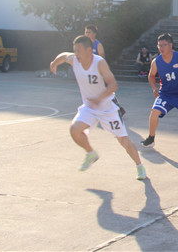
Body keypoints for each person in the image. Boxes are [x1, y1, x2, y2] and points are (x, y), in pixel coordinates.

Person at [49, 35, 146, 180]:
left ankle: (139, 166)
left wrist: (98, 98)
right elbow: (63, 56)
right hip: (89, 107)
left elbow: (113, 85)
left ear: (89, 50)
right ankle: (91, 153)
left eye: (79, 51)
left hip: (107, 108)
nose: (76, 54)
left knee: (124, 140)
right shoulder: (74, 60)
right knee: (74, 130)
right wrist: (54, 63)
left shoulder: (99, 63)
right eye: (75, 50)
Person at [85, 24, 126, 118]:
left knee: (107, 91)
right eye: (86, 32)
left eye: (88, 32)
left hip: (100, 72)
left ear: (94, 34)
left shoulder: (98, 45)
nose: (86, 34)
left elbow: (102, 59)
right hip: (91, 73)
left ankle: (119, 108)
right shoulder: (85, 45)